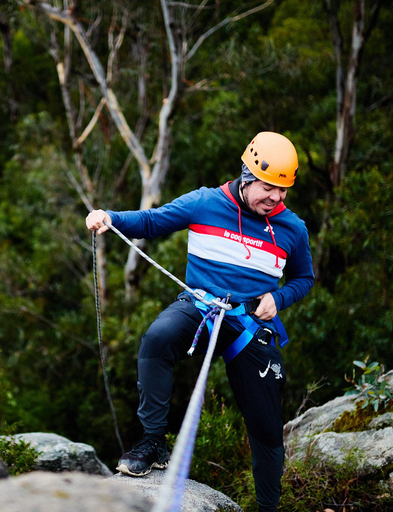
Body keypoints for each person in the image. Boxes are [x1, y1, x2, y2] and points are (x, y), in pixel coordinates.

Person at [86, 132, 314, 512]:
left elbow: (304, 279)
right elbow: (153, 221)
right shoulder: (206, 202)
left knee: (267, 427)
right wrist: (110, 218)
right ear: (246, 176)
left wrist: (278, 297)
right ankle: (153, 442)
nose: (275, 198)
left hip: (250, 325)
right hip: (201, 307)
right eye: (268, 188)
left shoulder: (293, 228)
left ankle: (267, 507)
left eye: (283, 190)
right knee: (157, 339)